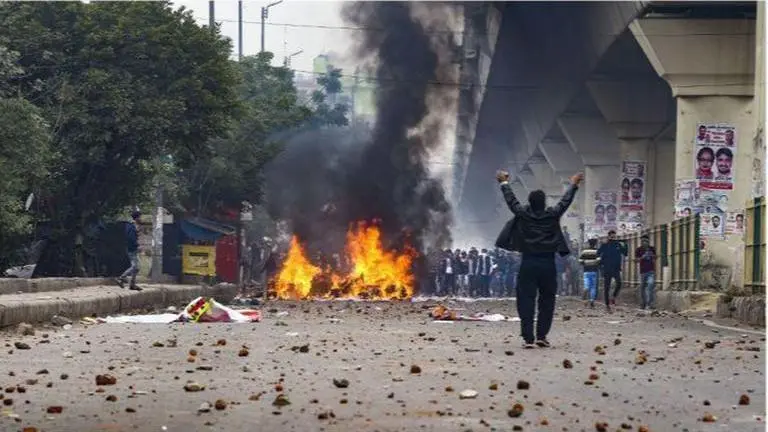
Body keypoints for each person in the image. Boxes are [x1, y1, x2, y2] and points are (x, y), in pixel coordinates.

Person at [495, 169, 582, 349]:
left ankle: (528, 338)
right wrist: (574, 184)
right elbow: (565, 203)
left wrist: (504, 183)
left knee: (526, 299)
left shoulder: (523, 214)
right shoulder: (552, 215)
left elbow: (512, 202)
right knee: (547, 300)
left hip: (528, 263)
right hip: (548, 264)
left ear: (530, 203)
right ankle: (541, 335)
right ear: (544, 203)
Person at [597, 230, 627, 312]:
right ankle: (607, 305)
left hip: (616, 268)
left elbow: (625, 253)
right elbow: (598, 253)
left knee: (619, 283)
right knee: (607, 287)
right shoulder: (605, 245)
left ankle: (613, 297)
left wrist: (625, 244)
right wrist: (601, 265)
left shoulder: (618, 244)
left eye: (614, 236)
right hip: (607, 269)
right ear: (609, 236)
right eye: (612, 236)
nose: (613, 238)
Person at [116, 210, 143, 291]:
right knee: (135, 266)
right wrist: (137, 245)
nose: (141, 219)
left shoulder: (132, 225)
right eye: (140, 217)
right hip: (131, 249)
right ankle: (121, 278)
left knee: (137, 268)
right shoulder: (131, 226)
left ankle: (132, 284)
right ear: (137, 217)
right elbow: (130, 238)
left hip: (132, 248)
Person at [635, 235, 657, 310]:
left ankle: (650, 303)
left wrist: (652, 255)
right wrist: (642, 257)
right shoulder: (638, 249)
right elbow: (636, 260)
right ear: (641, 242)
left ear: (648, 241)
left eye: (646, 241)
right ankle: (643, 303)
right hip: (643, 271)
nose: (644, 242)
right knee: (643, 287)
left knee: (651, 285)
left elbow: (655, 257)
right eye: (643, 241)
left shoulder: (652, 248)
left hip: (651, 270)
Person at [579, 239, 601, 308]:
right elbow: (599, 261)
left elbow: (580, 261)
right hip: (594, 271)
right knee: (593, 287)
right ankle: (592, 301)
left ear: (589, 244)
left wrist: (585, 263)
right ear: (595, 244)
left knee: (587, 285)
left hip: (586, 271)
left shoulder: (584, 251)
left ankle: (585, 290)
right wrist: (594, 263)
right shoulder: (597, 251)